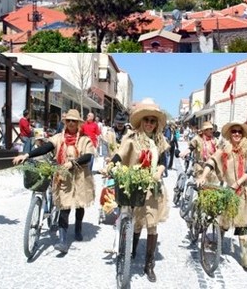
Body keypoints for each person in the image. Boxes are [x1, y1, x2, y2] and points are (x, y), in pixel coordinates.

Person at [12, 109, 95, 254]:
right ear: (65, 122)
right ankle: (62, 241)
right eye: (68, 120)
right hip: (63, 176)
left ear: (78, 123)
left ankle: (78, 227)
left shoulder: (84, 139)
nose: (70, 123)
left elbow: (88, 156)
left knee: (79, 205)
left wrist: (73, 163)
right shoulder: (58, 138)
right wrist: (27, 154)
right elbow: (46, 148)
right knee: (64, 207)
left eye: (73, 121)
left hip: (80, 176)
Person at [107, 99, 170, 282]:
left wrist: (159, 170)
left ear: (156, 123)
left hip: (153, 188)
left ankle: (149, 265)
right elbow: (119, 155)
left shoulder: (160, 141)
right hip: (134, 185)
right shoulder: (132, 139)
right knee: (135, 222)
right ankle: (130, 252)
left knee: (152, 224)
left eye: (153, 121)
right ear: (141, 122)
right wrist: (110, 165)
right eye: (146, 120)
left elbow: (163, 161)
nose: (149, 124)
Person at [197, 122, 247, 271]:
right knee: (224, 219)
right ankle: (219, 242)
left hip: (244, 191)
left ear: (243, 134)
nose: (236, 134)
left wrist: (237, 183)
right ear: (230, 134)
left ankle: (245, 256)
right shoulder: (225, 149)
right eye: (234, 132)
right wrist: (203, 176)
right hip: (228, 190)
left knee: (242, 223)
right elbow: (212, 160)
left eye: (239, 132)